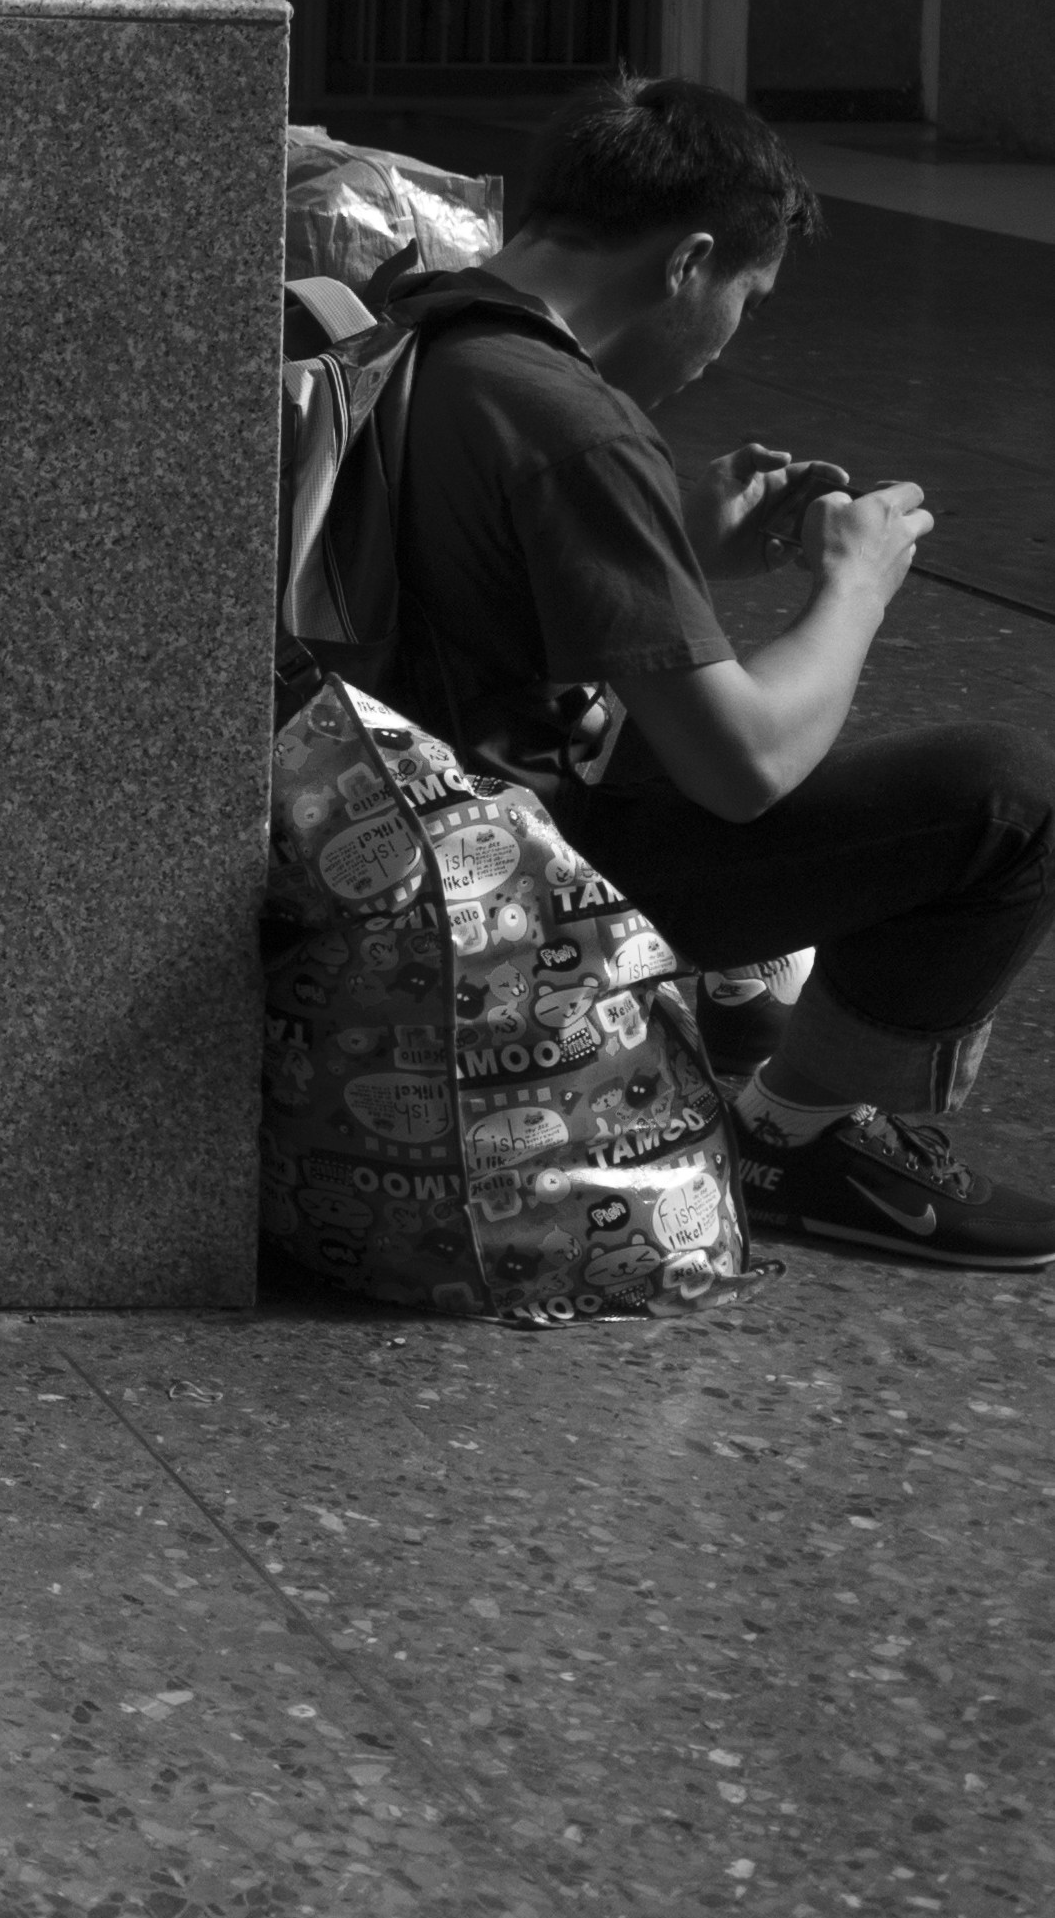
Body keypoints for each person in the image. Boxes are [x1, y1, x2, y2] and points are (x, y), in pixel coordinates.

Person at [371, 77, 1054, 1268]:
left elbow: (466, 603)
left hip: (397, 832)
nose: (736, 328)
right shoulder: (570, 420)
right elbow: (742, 768)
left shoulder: (424, 329)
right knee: (1008, 798)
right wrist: (854, 580)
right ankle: (806, 1134)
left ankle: (736, 996)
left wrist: (674, 543)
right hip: (510, 894)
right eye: (747, 291)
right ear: (689, 260)